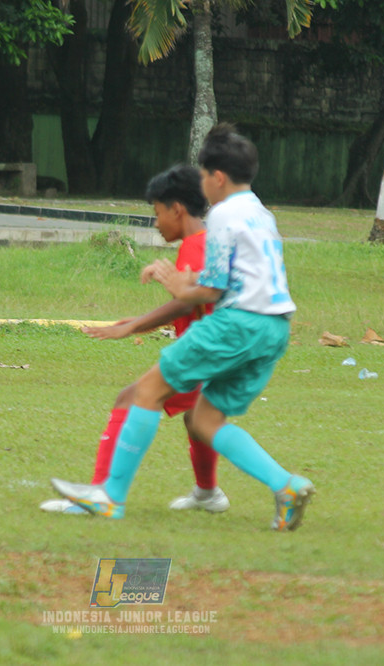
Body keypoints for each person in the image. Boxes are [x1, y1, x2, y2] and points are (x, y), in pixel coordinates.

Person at [51, 123, 314, 531]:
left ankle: (109, 497)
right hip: (275, 328)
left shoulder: (224, 213)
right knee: (206, 420)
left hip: (238, 324)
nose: (202, 185)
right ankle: (286, 485)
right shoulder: (260, 212)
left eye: (204, 176)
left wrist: (175, 284)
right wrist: (178, 281)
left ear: (218, 177)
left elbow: (211, 291)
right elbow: (238, 278)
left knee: (146, 391)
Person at [40, 165, 228, 515]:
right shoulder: (206, 242)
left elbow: (185, 302)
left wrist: (133, 326)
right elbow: (196, 302)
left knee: (131, 397)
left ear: (177, 209)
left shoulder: (194, 246)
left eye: (156, 213)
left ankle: (101, 495)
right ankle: (208, 494)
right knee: (196, 419)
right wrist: (142, 321)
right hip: (215, 353)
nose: (155, 223)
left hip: (206, 353)